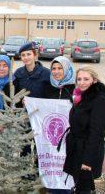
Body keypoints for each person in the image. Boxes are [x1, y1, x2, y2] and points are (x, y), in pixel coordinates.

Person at [63, 66, 105, 193]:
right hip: (76, 150)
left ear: (94, 80)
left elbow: (97, 133)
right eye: (79, 79)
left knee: (83, 189)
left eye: (86, 79)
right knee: (78, 186)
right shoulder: (80, 97)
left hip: (87, 154)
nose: (82, 82)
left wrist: (87, 161)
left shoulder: (99, 100)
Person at [42, 56, 75, 194]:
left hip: (70, 139)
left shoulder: (75, 89)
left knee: (67, 172)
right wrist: (30, 103)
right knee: (53, 169)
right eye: (53, 69)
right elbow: (41, 109)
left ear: (66, 69)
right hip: (51, 140)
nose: (56, 71)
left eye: (60, 68)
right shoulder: (47, 87)